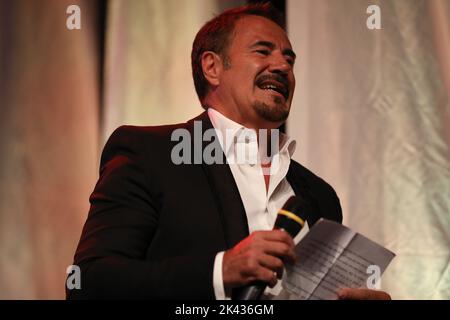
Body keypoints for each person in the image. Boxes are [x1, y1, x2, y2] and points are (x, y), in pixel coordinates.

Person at [68, 3, 390, 300]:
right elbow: (90, 283)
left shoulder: (319, 195)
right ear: (212, 67)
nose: (282, 66)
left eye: (289, 60)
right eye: (263, 51)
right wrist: (220, 270)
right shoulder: (150, 156)